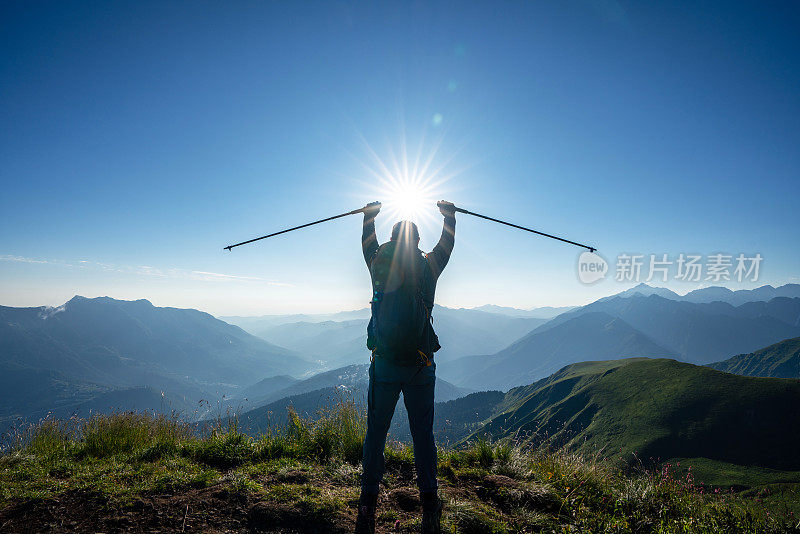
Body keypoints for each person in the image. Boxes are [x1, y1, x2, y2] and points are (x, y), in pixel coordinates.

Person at [355, 200, 456, 534]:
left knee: (377, 431)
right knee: (422, 433)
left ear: (393, 239)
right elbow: (446, 246)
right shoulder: (428, 267)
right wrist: (449, 217)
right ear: (415, 242)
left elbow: (367, 241)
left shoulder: (378, 264)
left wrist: (369, 217)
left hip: (384, 363)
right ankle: (429, 498)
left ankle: (368, 498)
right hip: (420, 364)